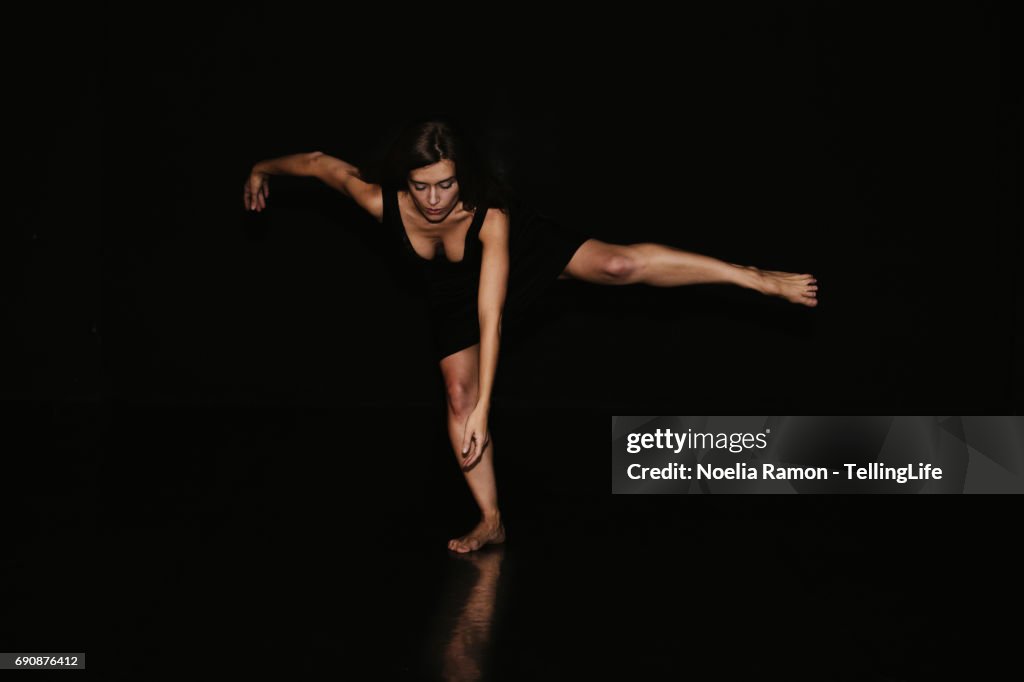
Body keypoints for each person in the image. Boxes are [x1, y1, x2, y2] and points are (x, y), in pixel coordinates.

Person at [243, 117, 819, 553]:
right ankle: (491, 518)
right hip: (449, 293)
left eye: (446, 185)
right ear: (406, 182)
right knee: (456, 398)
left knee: (618, 268)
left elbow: (491, 314)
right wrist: (262, 167)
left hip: (516, 260)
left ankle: (753, 277)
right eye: (423, 187)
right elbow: (320, 164)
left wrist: (489, 407)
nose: (436, 200)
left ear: (461, 176)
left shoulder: (489, 214)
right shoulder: (380, 202)